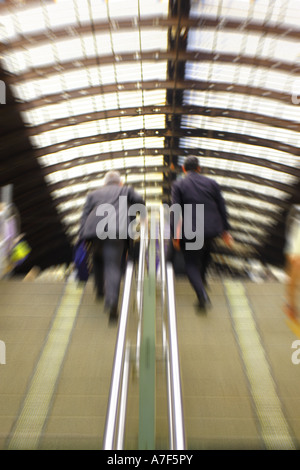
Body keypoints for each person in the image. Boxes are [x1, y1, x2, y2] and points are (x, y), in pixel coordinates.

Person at [78, 170, 145, 323]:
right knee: (112, 265)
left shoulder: (93, 194)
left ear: (104, 183)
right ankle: (112, 301)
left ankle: (100, 291)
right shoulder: (126, 190)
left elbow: (84, 215)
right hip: (117, 230)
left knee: (97, 258)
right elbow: (140, 202)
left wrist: (82, 234)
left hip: (94, 230)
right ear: (119, 182)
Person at [170, 155, 233, 310]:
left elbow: (176, 211)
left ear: (184, 169)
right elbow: (222, 207)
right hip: (212, 229)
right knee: (206, 253)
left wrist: (175, 235)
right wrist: (225, 230)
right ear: (199, 168)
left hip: (192, 230)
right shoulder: (212, 183)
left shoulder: (179, 185)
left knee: (191, 264)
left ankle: (202, 296)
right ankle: (203, 280)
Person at [284, 205, 300, 322]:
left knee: (293, 280)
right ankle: (291, 306)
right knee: (293, 279)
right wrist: (295, 254)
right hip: (295, 251)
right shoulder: (296, 211)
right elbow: (292, 233)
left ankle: (291, 306)